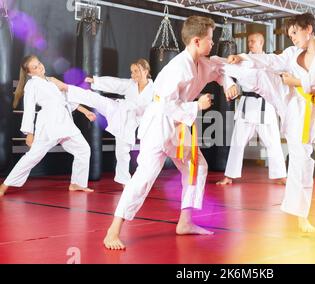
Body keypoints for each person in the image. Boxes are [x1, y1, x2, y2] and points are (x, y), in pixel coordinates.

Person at [102, 16, 238, 250]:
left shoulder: (203, 63)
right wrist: (197, 106)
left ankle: (185, 222)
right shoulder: (176, 69)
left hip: (178, 128)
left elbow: (221, 69)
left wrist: (229, 85)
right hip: (158, 126)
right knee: (143, 178)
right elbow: (165, 105)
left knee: (198, 167)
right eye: (209, 39)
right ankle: (112, 231)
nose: (212, 43)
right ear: (196, 41)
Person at [226, 13, 315, 233]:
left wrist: (296, 81)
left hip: (308, 108)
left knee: (303, 159)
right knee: (260, 76)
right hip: (290, 103)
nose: (292, 38)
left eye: (295, 33)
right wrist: (243, 57)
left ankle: (300, 213)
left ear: (308, 29)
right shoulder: (292, 53)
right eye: (289, 35)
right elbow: (272, 60)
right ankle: (223, 68)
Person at [0, 55, 95, 197]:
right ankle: (5, 185)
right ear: (30, 73)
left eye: (39, 63)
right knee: (32, 156)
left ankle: (77, 183)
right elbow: (29, 109)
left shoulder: (51, 81)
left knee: (83, 149)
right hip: (49, 125)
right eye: (35, 67)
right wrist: (29, 133)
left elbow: (67, 99)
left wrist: (86, 111)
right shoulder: (32, 84)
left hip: (65, 123)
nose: (40, 67)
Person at [53, 59, 154, 187]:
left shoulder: (154, 90)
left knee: (122, 152)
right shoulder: (130, 84)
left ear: (145, 71)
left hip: (130, 121)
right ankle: (66, 88)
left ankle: (125, 182)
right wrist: (95, 81)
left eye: (136, 71)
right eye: (131, 72)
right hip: (118, 109)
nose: (133, 75)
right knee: (95, 99)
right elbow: (115, 83)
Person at [216, 32, 287, 186]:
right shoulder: (240, 59)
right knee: (237, 142)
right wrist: (230, 85)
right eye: (249, 41)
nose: (250, 44)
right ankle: (229, 176)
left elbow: (279, 81)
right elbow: (225, 71)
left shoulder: (269, 62)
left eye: (253, 41)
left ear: (261, 43)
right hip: (247, 105)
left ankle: (281, 175)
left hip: (265, 105)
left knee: (273, 142)